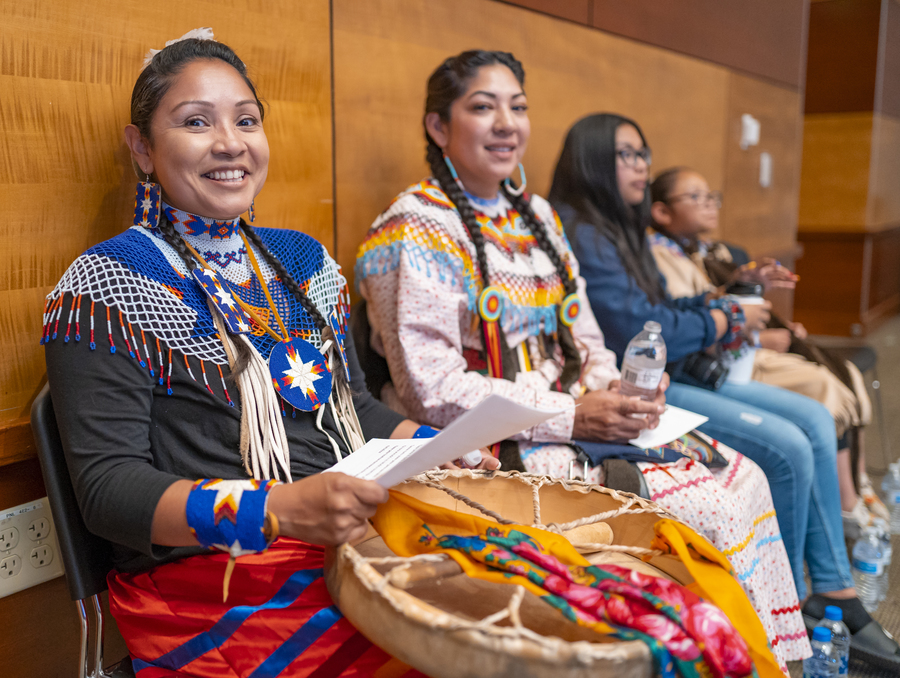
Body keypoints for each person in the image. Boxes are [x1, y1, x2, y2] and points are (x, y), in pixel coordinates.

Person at [356, 50, 808, 671]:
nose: (506, 124)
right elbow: (429, 388)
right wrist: (573, 415)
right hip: (490, 442)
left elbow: (587, 339)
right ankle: (727, 662)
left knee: (747, 475)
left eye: (517, 107)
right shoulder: (412, 229)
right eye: (482, 107)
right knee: (711, 504)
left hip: (577, 416)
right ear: (439, 127)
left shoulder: (537, 216)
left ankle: (769, 662)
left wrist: (625, 392)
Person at [42, 32, 470, 677]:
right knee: (441, 655)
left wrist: (440, 443)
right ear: (142, 148)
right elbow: (108, 491)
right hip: (213, 586)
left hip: (342, 543)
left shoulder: (302, 262)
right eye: (195, 122)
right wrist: (281, 510)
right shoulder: (107, 285)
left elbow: (346, 408)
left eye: (247, 120)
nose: (231, 143)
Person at [549, 112, 900, 667]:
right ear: (592, 161)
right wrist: (725, 321)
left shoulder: (618, 228)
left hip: (671, 369)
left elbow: (660, 309)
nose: (641, 165)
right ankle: (782, 613)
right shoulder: (585, 233)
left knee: (810, 417)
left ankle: (829, 590)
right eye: (626, 155)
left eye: (644, 153)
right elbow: (635, 327)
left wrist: (726, 303)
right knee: (786, 445)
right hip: (640, 383)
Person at [648, 166, 888, 529]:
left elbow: (727, 302)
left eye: (711, 196)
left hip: (741, 348)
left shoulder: (706, 251)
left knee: (846, 371)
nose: (709, 204)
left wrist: (755, 297)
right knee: (822, 389)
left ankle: (856, 481)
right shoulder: (658, 255)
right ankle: (846, 503)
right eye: (695, 197)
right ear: (662, 211)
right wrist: (759, 337)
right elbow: (691, 324)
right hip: (724, 361)